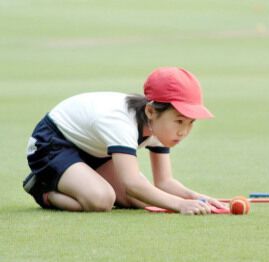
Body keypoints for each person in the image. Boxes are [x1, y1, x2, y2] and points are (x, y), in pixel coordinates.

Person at [23, 67, 226, 215]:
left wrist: (198, 198)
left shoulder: (160, 126)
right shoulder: (120, 123)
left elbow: (164, 182)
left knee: (139, 200)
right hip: (52, 143)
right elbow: (132, 183)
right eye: (179, 121)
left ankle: (81, 178)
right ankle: (42, 190)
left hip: (93, 150)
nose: (183, 131)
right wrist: (180, 205)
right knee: (101, 200)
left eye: (190, 123)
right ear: (150, 111)